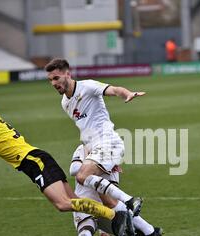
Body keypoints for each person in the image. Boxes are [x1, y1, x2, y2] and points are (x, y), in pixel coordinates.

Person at [0, 92, 133, 236]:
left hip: (33, 161)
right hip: (36, 159)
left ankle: (115, 216)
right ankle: (117, 223)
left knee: (63, 204)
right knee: (74, 202)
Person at [44, 58, 145, 217]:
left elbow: (114, 89)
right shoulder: (64, 102)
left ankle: (130, 200)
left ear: (68, 74)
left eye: (56, 78)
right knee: (107, 201)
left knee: (82, 176)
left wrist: (127, 94)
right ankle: (144, 229)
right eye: (50, 80)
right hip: (96, 148)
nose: (53, 83)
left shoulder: (88, 86)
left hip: (108, 142)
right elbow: (85, 129)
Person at [69, 144, 163, 236]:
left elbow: (111, 201)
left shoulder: (111, 163)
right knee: (86, 232)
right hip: (84, 206)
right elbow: (74, 169)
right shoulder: (83, 149)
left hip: (105, 213)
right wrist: (91, 165)